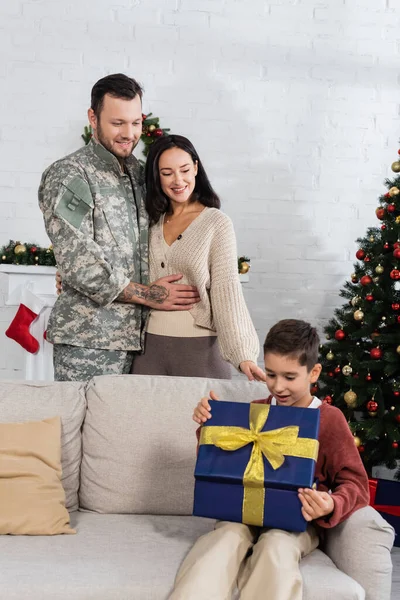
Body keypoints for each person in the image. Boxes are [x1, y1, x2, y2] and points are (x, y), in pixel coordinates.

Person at [169, 319, 369, 600]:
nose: (277, 386)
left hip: (296, 522)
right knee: (223, 541)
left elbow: (356, 483)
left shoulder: (329, 419)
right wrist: (208, 426)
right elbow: (220, 463)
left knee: (276, 547)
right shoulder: (254, 411)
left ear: (314, 373)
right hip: (240, 514)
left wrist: (331, 503)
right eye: (271, 374)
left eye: (289, 377)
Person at [39, 74, 199, 381]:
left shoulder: (144, 174)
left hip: (146, 342)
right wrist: (150, 295)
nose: (129, 134)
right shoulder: (70, 175)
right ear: (93, 118)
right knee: (79, 428)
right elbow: (80, 264)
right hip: (89, 342)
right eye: (117, 123)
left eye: (136, 122)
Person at [130, 134, 265, 381]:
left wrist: (244, 354)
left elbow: (227, 290)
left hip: (199, 350)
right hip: (148, 350)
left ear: (195, 168)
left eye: (183, 170)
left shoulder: (216, 223)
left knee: (205, 421)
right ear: (157, 177)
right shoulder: (148, 223)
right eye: (167, 173)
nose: (178, 180)